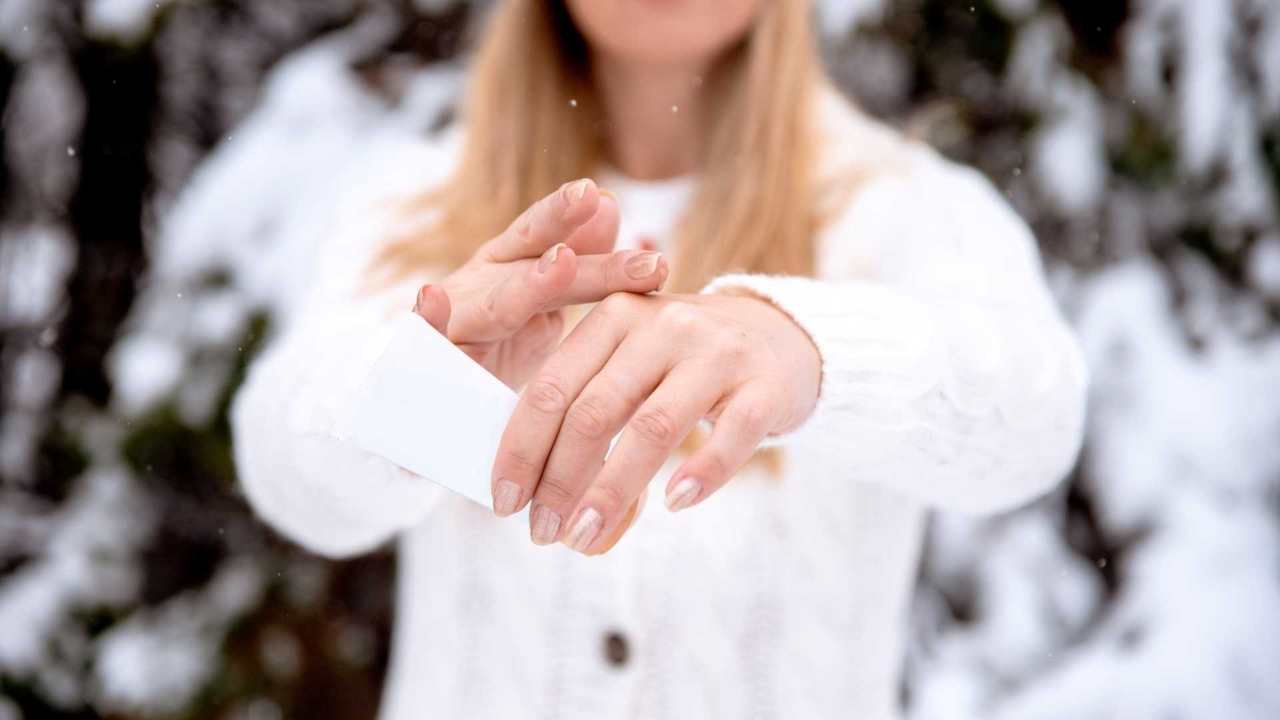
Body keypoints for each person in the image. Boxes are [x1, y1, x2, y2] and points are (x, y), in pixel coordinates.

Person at [231, 1, 1088, 718]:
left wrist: (813, 351)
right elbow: (284, 466)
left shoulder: (910, 212)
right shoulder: (416, 206)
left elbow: (1035, 418)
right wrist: (420, 397)